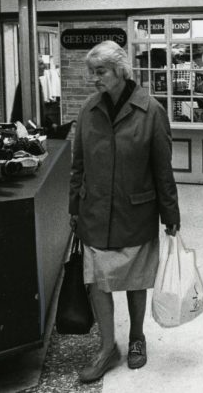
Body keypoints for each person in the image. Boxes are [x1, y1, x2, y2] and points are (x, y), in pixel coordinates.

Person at [68, 40, 180, 383]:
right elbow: (78, 165)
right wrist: (74, 207)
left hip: (136, 211)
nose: (94, 79)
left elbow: (163, 169)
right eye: (91, 72)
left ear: (120, 70)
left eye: (100, 72)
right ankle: (106, 347)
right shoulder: (88, 110)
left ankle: (136, 338)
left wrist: (170, 214)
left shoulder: (151, 111)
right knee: (98, 282)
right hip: (96, 213)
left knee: (135, 281)